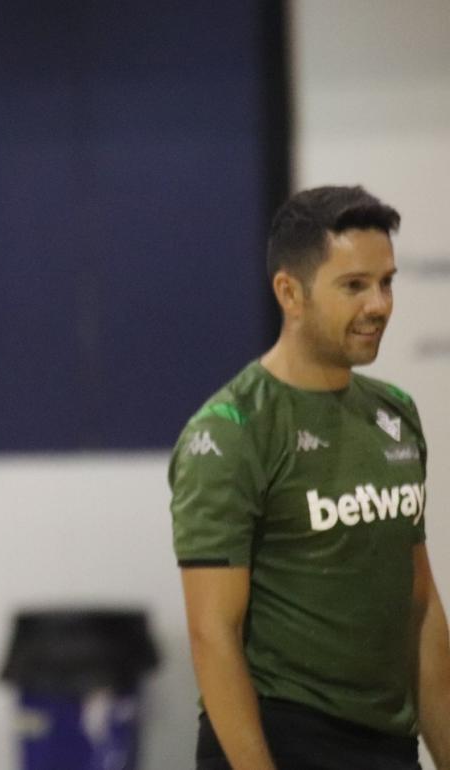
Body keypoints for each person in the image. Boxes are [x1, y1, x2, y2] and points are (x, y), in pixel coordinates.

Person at [170, 185, 450, 770]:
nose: (380, 305)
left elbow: (418, 606)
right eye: (354, 286)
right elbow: (213, 636)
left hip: (386, 742)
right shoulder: (231, 429)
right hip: (281, 739)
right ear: (289, 293)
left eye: (387, 282)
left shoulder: (394, 414)